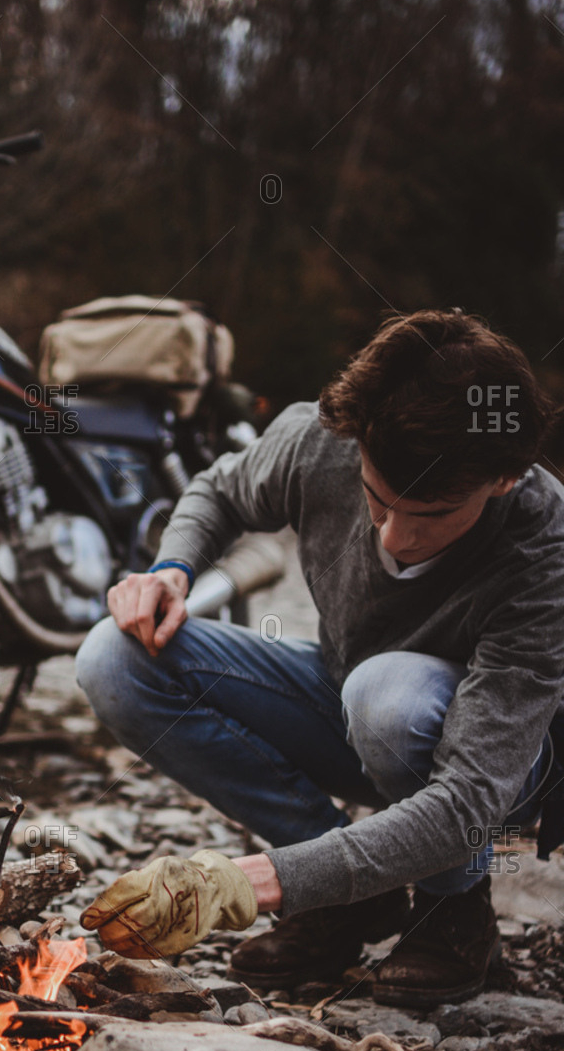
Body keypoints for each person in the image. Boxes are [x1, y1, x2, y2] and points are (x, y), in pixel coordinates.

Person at [75, 309, 564, 1009]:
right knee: (114, 657)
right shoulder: (323, 440)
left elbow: (466, 802)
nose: (394, 538)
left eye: (428, 516)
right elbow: (218, 489)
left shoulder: (544, 545)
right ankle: (349, 902)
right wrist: (173, 568)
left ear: (503, 481)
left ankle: (451, 912)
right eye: (377, 502)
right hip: (344, 699)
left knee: (388, 697)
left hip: (495, 773)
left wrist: (250, 880)